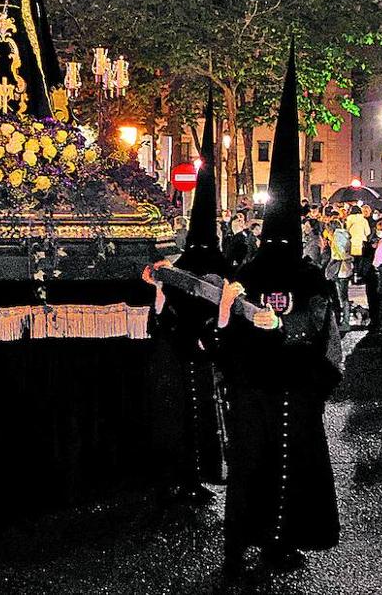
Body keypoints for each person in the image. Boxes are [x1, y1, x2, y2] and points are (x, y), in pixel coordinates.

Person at [206, 47, 340, 581]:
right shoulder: (249, 275)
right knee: (254, 470)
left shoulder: (306, 278)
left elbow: (324, 332)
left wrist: (281, 327)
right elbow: (222, 339)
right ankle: (242, 548)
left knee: (282, 470)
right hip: (261, 392)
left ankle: (276, 543)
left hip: (289, 392)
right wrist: (229, 314)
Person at [143, 86, 227, 502]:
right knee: (181, 413)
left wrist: (216, 327)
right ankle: (182, 475)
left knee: (204, 413)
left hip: (204, 357)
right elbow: (161, 320)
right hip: (181, 357)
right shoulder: (182, 271)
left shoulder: (221, 270)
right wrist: (160, 292)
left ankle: (203, 471)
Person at [325, 218, 353, 332]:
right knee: (344, 296)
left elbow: (341, 254)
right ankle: (345, 320)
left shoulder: (337, 236)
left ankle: (344, 321)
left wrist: (337, 259)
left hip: (340, 270)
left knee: (341, 297)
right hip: (345, 269)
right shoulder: (345, 235)